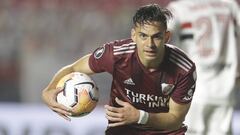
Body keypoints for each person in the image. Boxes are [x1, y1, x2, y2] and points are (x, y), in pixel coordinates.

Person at [42, 4, 197, 135]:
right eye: (143, 36)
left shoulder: (183, 69)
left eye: (156, 37)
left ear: (167, 37)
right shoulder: (116, 54)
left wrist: (140, 116)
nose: (150, 44)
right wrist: (48, 90)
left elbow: (176, 118)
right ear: (133, 35)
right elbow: (74, 67)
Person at [167, 0, 240, 135]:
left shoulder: (179, 8)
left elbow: (159, 33)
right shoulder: (230, 6)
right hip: (225, 90)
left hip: (191, 91)